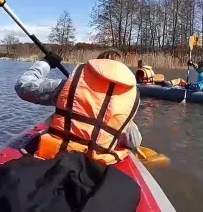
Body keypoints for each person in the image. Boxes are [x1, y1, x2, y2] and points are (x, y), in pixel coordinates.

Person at [14, 48, 142, 165]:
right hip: (95, 163)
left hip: (56, 155)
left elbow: (23, 86)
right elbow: (134, 142)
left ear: (94, 67)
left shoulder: (69, 86)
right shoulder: (129, 101)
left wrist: (46, 63)